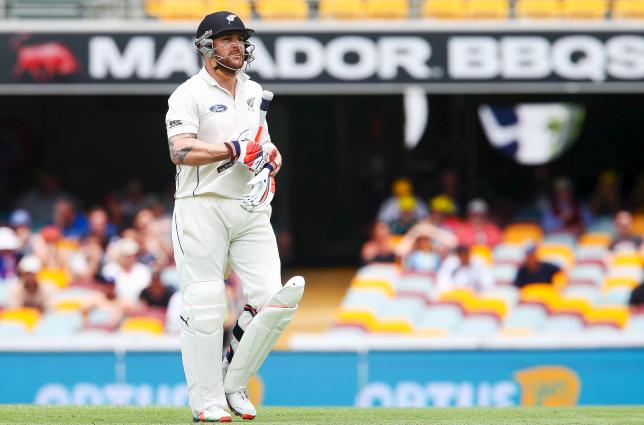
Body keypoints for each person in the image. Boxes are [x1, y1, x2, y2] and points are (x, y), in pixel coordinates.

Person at [165, 11, 305, 422]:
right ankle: (205, 400)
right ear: (206, 47)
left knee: (274, 301)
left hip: (250, 207)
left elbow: (259, 141)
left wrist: (271, 157)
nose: (238, 46)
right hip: (200, 204)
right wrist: (231, 150)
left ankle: (233, 381)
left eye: (241, 39)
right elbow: (180, 150)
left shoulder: (253, 91)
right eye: (227, 39)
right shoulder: (187, 94)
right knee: (205, 301)